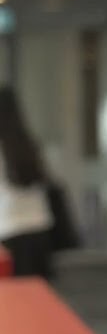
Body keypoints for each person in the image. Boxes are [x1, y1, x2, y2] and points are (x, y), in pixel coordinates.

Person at [0, 86, 55, 281]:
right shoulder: (29, 143)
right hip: (38, 227)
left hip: (10, 229)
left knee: (12, 302)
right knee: (36, 298)